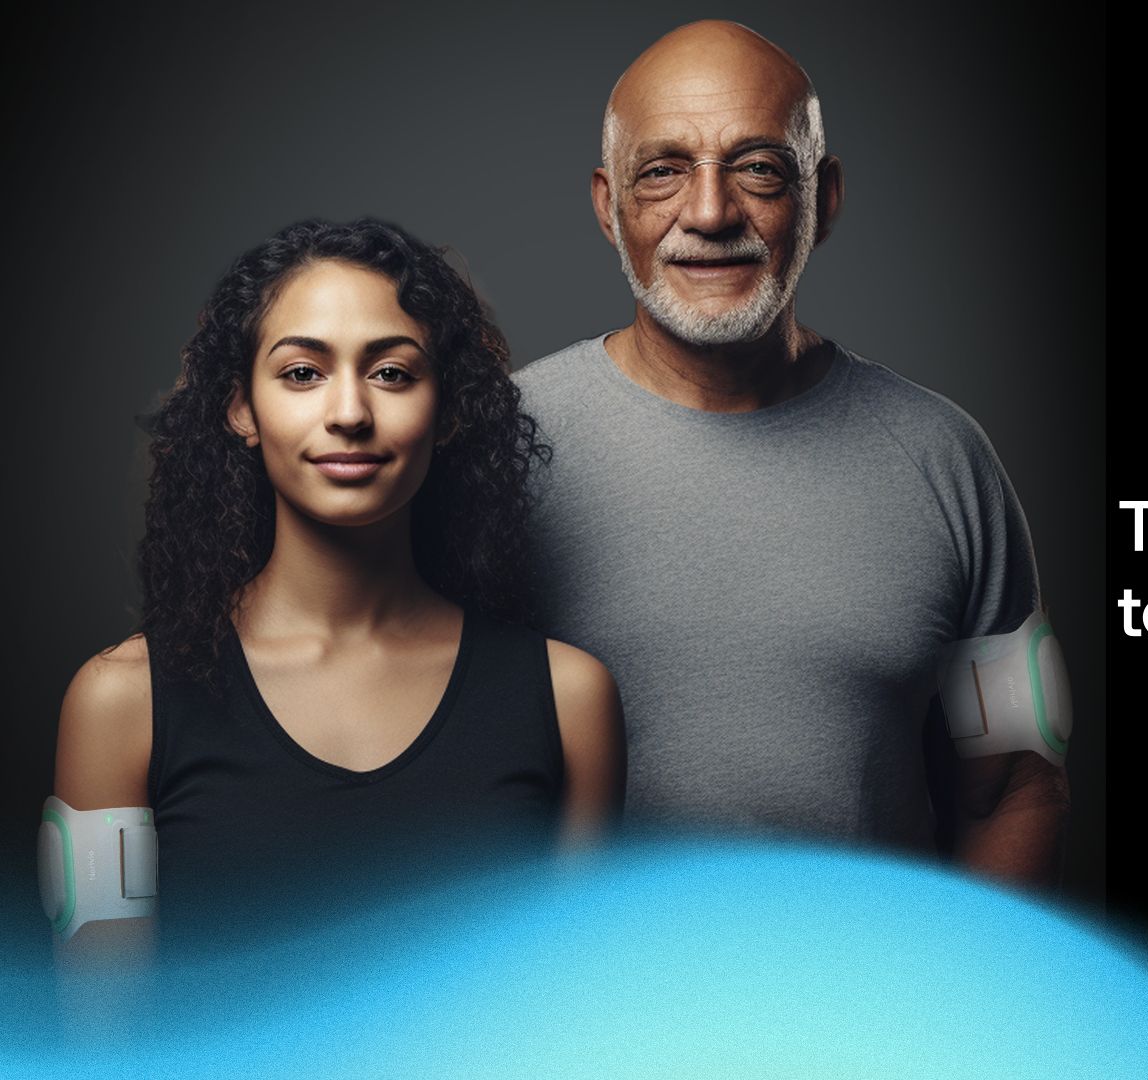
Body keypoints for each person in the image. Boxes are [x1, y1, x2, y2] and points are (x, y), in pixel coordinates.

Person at [514, 21, 1069, 886]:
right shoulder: (493, 453)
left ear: (826, 195)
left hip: (860, 1014)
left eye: (759, 167)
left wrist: (953, 1007)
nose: (709, 212)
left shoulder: (948, 462)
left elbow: (1020, 785)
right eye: (662, 171)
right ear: (606, 203)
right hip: (573, 1013)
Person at [49, 219, 625, 954]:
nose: (350, 413)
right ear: (241, 409)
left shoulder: (570, 701)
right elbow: (102, 1046)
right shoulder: (120, 702)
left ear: (446, 410)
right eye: (302, 373)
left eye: (391, 373)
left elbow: (578, 1022)